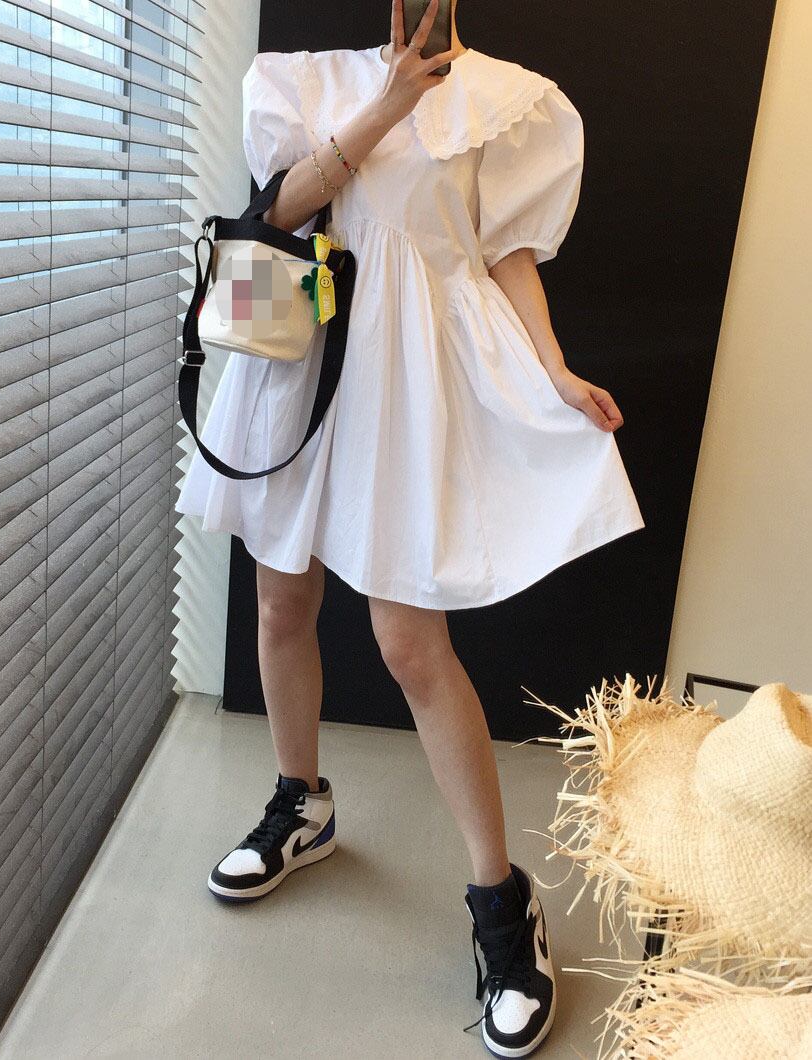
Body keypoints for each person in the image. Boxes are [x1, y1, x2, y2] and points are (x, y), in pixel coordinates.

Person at [175, 0, 645, 1054]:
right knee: (280, 604)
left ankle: (502, 901)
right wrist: (387, 103)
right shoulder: (303, 79)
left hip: (406, 380)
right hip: (297, 364)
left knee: (409, 645)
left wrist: (556, 369)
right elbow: (281, 207)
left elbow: (506, 253)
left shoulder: (507, 101)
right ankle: (301, 805)